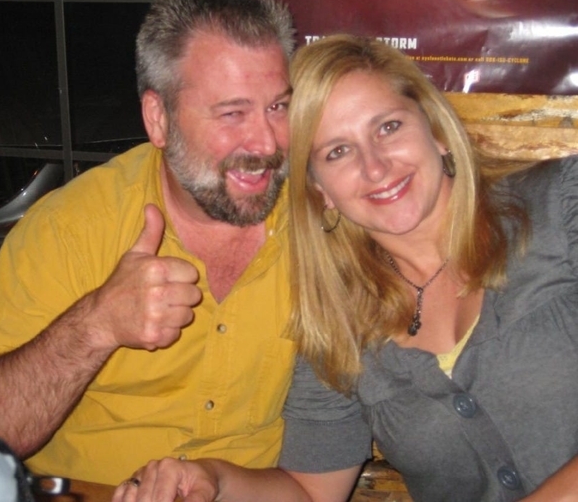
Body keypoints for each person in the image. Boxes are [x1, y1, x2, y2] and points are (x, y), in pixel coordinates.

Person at [113, 34, 578, 502]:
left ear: (436, 130)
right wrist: (214, 478)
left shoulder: (563, 203)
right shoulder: (339, 316)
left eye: (388, 127)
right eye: (337, 151)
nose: (375, 167)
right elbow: (311, 490)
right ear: (320, 191)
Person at [0, 0, 297, 486]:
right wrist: (96, 324)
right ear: (159, 119)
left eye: (278, 108)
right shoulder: (69, 232)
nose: (266, 143)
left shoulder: (319, 225)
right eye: (232, 113)